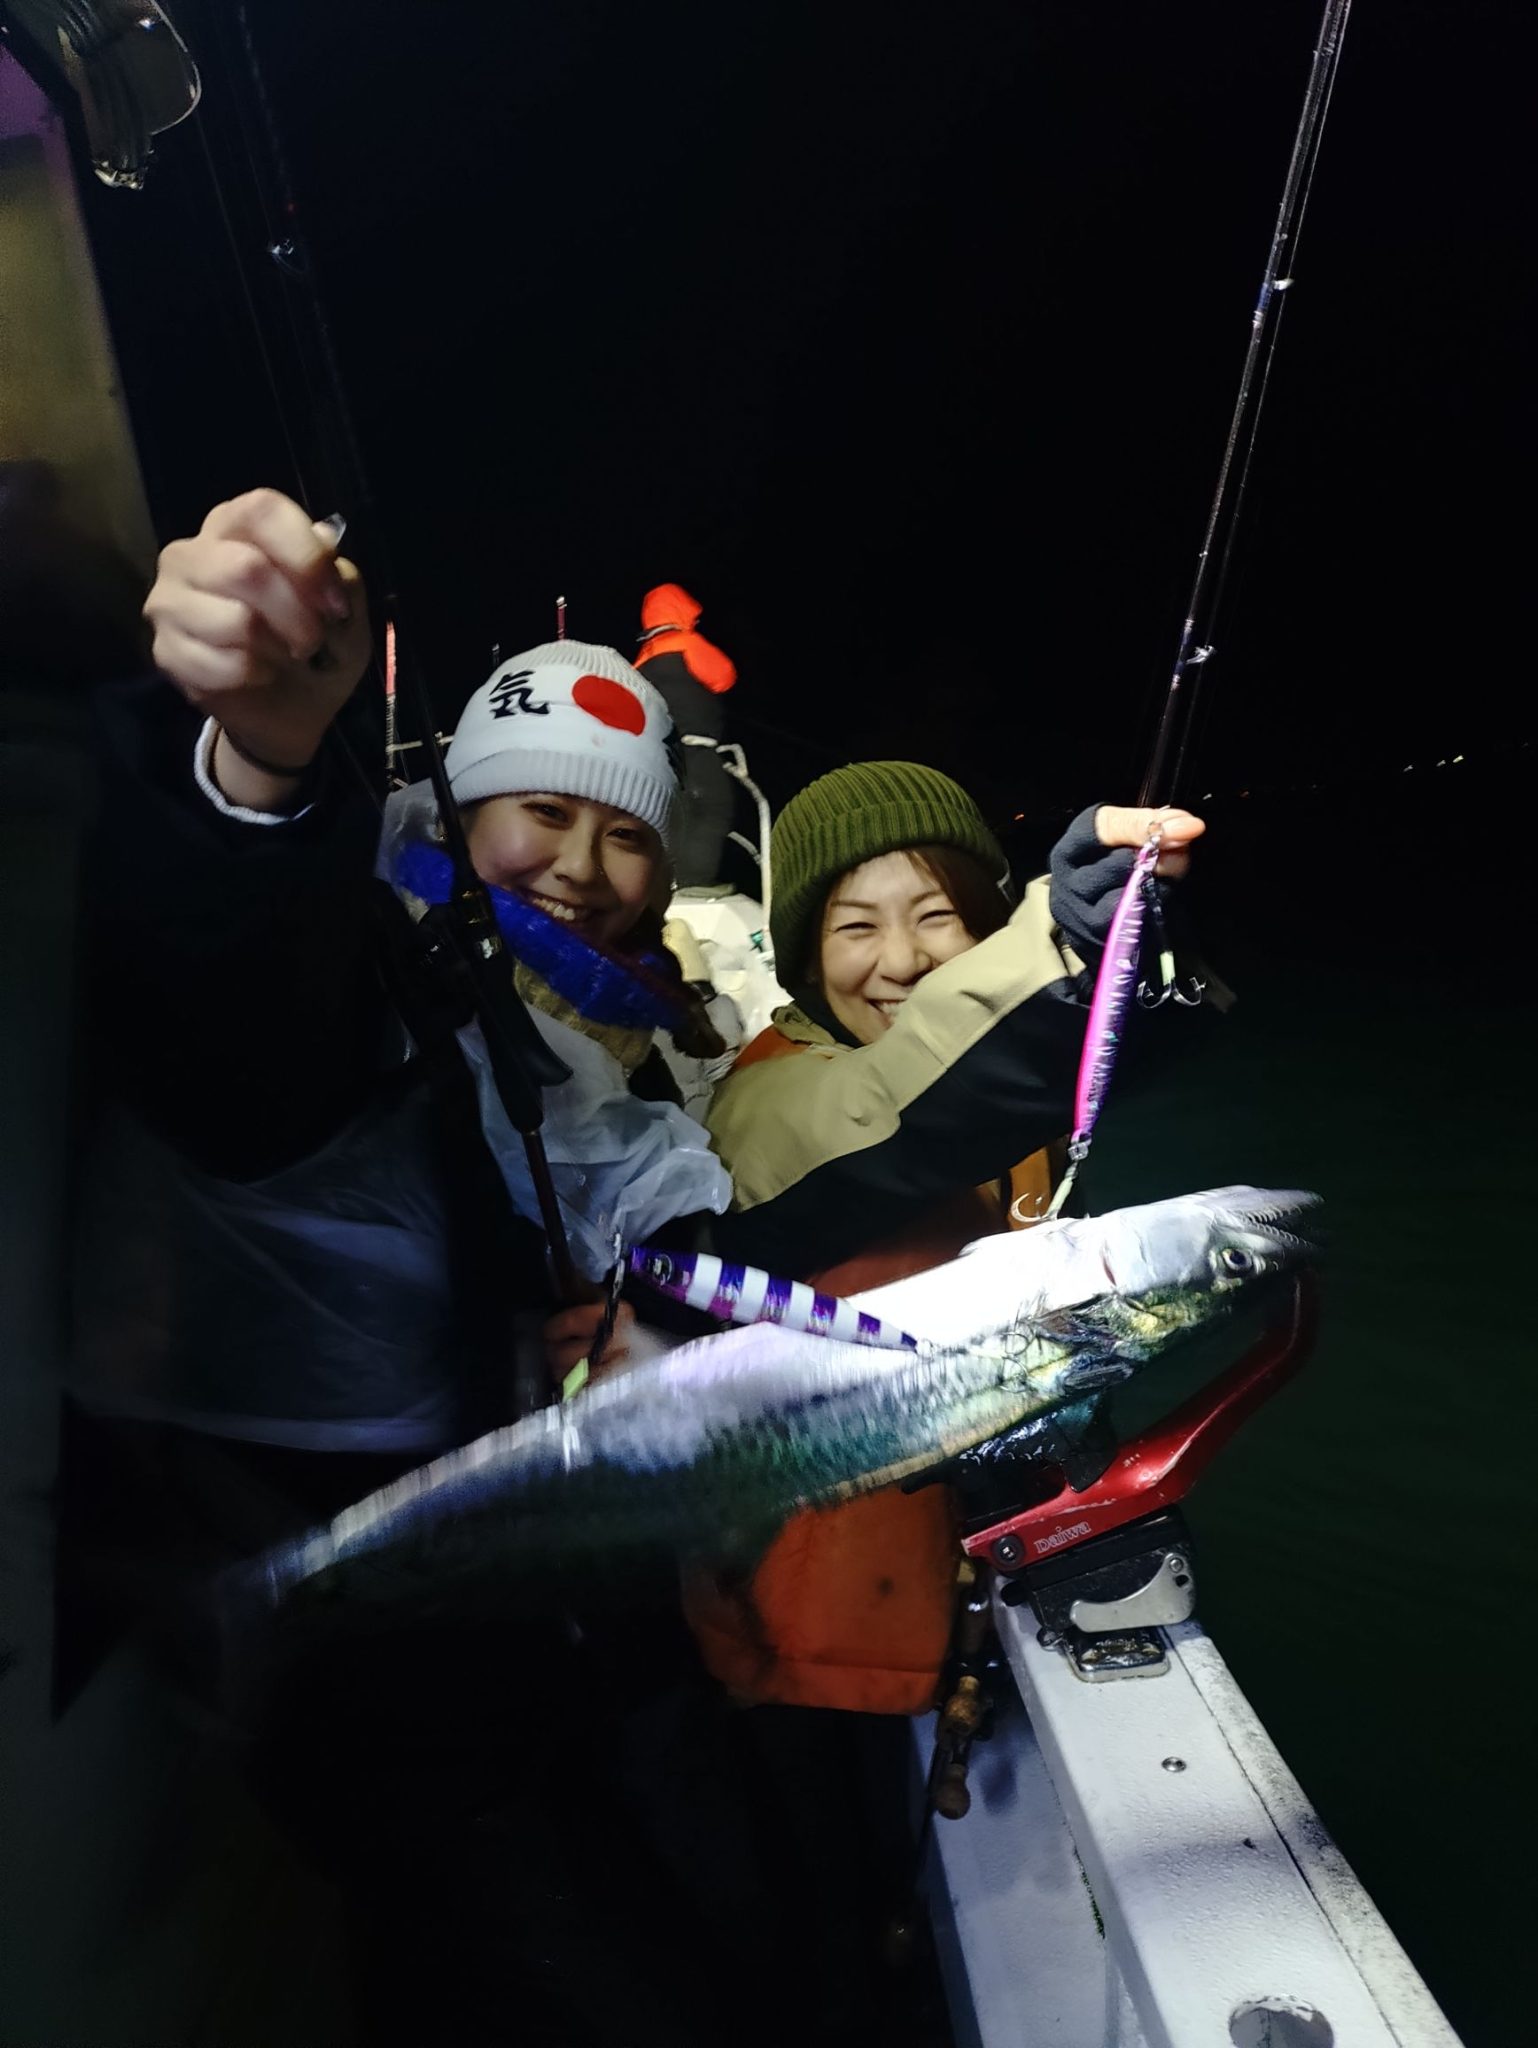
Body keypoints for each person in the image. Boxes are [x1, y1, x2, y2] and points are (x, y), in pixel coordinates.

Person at [61, 487, 800, 2048]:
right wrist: (260, 761)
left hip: (503, 1566)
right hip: (313, 1559)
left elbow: (641, 1195)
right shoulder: (367, 932)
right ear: (456, 810)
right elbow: (234, 1025)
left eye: (626, 834)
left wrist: (657, 1303)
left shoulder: (578, 1027)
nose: (583, 866)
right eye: (543, 812)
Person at [684, 758, 1203, 2009]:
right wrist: (1050, 940)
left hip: (949, 1598)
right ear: (803, 958)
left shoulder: (1006, 1109)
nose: (901, 959)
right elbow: (888, 1099)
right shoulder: (767, 1099)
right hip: (793, 1639)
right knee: (810, 1924)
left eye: (937, 915)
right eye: (853, 926)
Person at [633, 580, 738, 886]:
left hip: (656, 761)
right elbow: (725, 676)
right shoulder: (688, 643)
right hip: (696, 754)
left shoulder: (640, 662)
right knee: (713, 809)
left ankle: (660, 886)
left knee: (667, 820)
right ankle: (691, 885)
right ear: (680, 611)